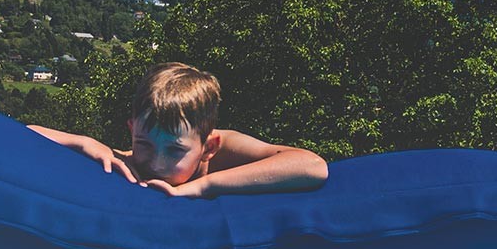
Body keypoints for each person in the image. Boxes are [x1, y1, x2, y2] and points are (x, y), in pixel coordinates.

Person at [28, 61, 328, 198]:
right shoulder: (125, 160)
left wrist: (202, 187)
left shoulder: (224, 152)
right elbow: (24, 134)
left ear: (208, 147)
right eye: (144, 144)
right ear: (132, 130)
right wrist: (82, 142)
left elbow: (312, 166)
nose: (156, 163)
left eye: (175, 151)